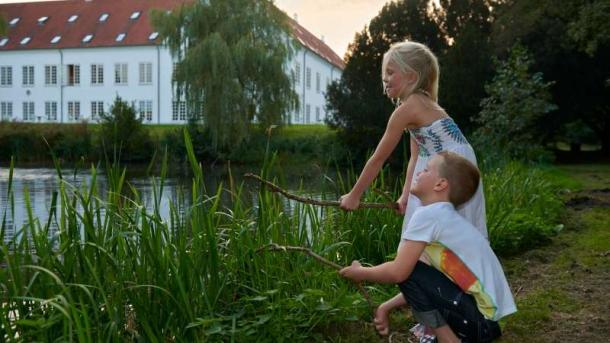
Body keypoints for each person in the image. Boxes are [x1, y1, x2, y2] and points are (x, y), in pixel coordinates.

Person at [339, 40, 488, 338]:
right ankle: (436, 318)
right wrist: (406, 194)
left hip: (446, 176)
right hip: (451, 171)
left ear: (411, 76)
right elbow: (416, 155)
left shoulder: (409, 108)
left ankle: (441, 328)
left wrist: (354, 195)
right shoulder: (424, 106)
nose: (384, 79)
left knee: (422, 253)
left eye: (390, 72)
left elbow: (379, 157)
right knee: (436, 252)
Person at [339, 152, 517, 343]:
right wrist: (385, 307)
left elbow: (399, 273)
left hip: (476, 323)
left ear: (440, 184)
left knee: (406, 266)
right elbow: (426, 282)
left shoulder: (429, 215)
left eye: (425, 169)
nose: (418, 173)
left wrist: (360, 272)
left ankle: (448, 340)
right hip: (485, 325)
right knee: (412, 267)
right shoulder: (445, 220)